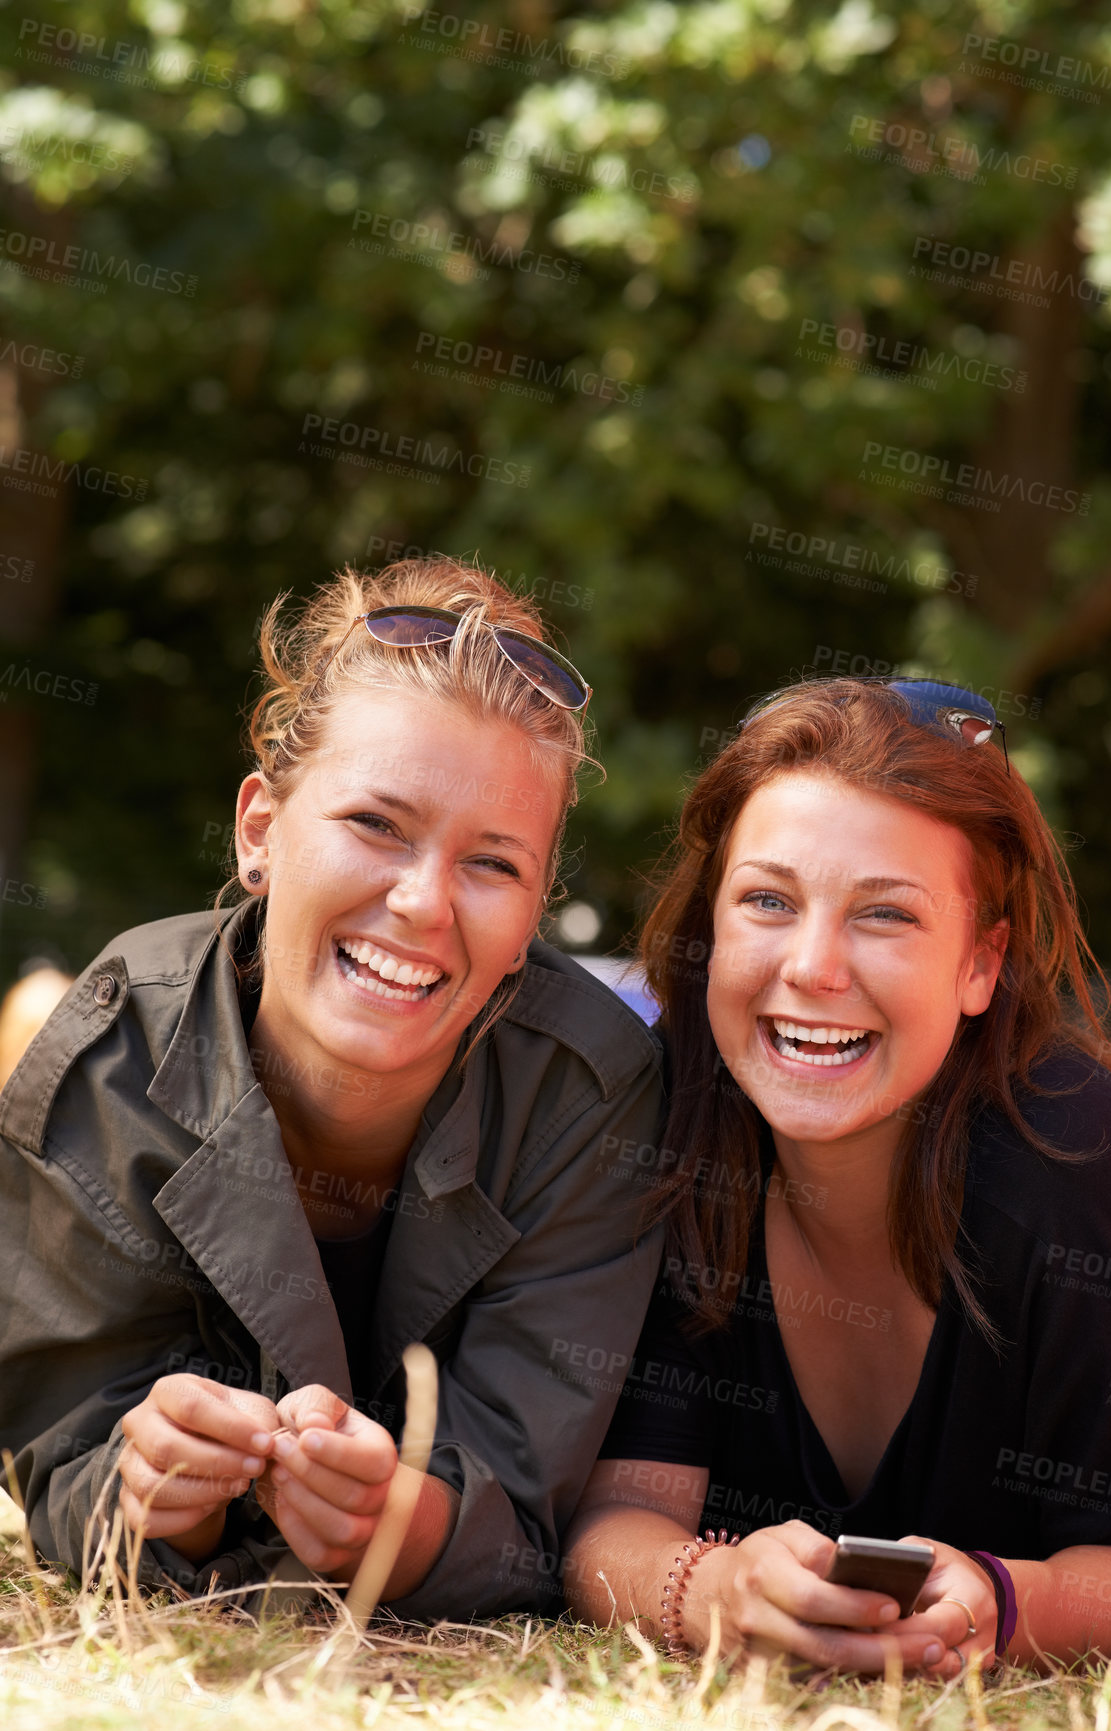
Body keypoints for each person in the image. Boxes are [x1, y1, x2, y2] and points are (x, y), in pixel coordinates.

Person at [0, 556, 665, 1620]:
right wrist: (159, 1492)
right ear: (261, 830)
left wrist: (396, 1528)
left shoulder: (592, 1099)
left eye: (493, 865)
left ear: (537, 906)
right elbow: (60, 1456)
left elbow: (534, 1511)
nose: (420, 902)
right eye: (376, 825)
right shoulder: (112, 1052)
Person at [565, 676, 1111, 1674]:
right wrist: (713, 1591)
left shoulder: (1089, 1169)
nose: (813, 966)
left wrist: (1008, 1606)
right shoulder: (669, 1124)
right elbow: (617, 1514)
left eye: (884, 915)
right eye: (767, 900)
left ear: (980, 963)